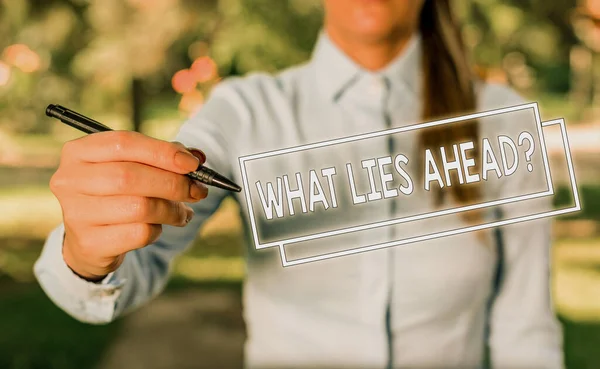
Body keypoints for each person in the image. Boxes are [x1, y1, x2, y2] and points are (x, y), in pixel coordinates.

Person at [34, 0, 563, 368]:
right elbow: (123, 274)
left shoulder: (508, 124)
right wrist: (88, 250)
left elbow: (527, 334)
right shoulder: (245, 113)